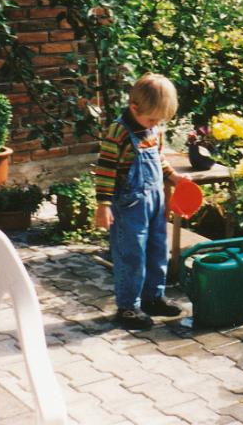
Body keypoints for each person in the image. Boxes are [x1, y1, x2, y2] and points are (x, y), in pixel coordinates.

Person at [94, 73, 186, 329]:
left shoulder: (152, 128)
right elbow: (105, 170)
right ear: (134, 107)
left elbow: (158, 158)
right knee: (131, 255)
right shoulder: (118, 132)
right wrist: (103, 205)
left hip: (156, 201)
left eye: (158, 120)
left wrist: (173, 176)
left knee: (158, 249)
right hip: (129, 205)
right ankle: (128, 307)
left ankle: (153, 298)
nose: (154, 123)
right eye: (152, 118)